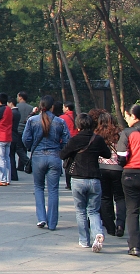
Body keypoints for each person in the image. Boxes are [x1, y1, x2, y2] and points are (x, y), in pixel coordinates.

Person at [60, 113, 111, 252]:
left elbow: (62, 154)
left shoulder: (75, 139)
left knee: (81, 211)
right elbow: (107, 154)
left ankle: (84, 240)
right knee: (93, 211)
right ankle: (98, 233)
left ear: (78, 125)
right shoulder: (98, 139)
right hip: (94, 178)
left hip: (78, 178)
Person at [22, 95, 70, 230]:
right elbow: (67, 140)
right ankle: (53, 222)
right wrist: (59, 150)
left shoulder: (32, 120)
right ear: (52, 106)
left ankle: (41, 218)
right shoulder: (60, 121)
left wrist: (31, 148)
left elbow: (26, 139)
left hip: (38, 157)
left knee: (38, 187)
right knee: (53, 190)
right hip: (54, 156)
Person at [92, 110, 125, 238]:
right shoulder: (120, 134)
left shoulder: (97, 135)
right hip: (118, 168)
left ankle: (110, 226)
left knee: (105, 197)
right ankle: (120, 224)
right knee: (120, 198)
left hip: (102, 168)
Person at [118, 104, 140, 258]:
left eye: (127, 116)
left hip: (131, 174)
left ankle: (134, 246)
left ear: (134, 116)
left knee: (132, 211)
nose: (126, 119)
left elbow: (121, 157)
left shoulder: (127, 133)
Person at [61, 101, 79, 190]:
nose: (62, 109)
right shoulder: (77, 116)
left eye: (63, 107)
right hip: (78, 141)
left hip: (68, 142)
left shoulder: (62, 118)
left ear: (67, 108)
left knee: (67, 163)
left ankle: (69, 183)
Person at [15, 92, 33, 172]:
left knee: (18, 148)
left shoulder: (16, 107)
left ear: (20, 97)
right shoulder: (31, 108)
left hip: (18, 129)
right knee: (24, 148)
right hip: (27, 130)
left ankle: (27, 162)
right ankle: (21, 166)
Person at [8, 96, 22, 182]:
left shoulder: (12, 113)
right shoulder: (17, 112)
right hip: (15, 135)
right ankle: (13, 174)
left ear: (10, 103)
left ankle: (13, 174)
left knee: (10, 156)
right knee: (12, 155)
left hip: (11, 135)